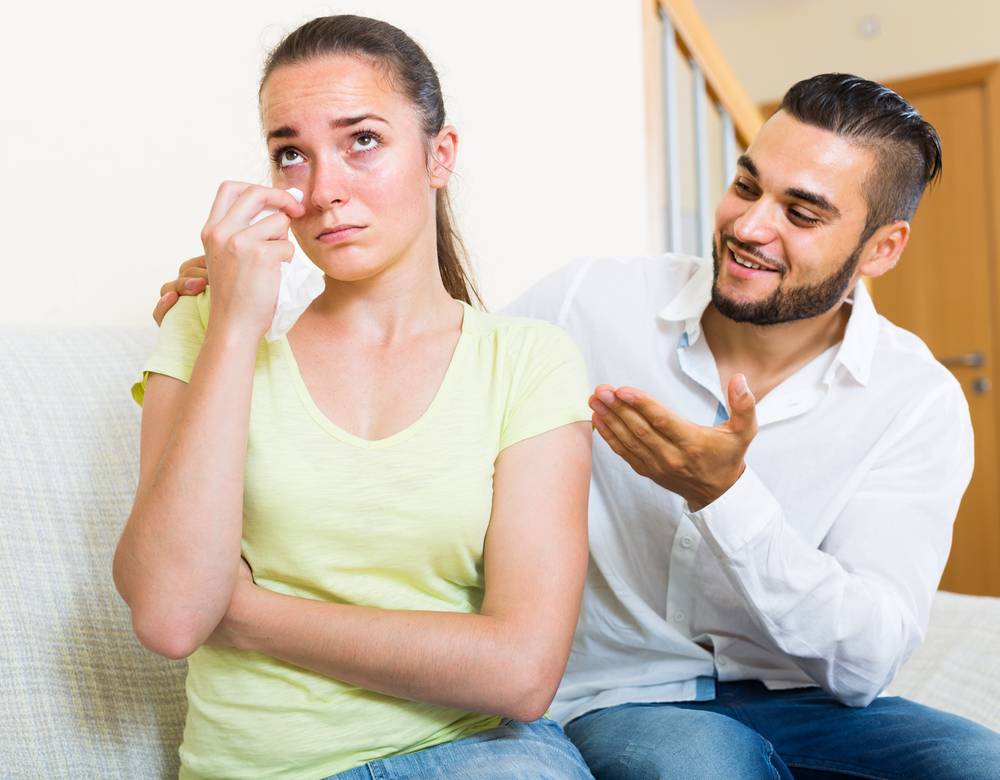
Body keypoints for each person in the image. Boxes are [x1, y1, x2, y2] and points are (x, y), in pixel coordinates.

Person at [153, 72, 1000, 777]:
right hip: (622, 699)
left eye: (802, 213)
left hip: (813, 704)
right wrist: (254, 287)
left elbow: (866, 660)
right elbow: (438, 347)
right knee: (700, 767)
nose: (750, 226)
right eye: (747, 186)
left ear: (881, 249)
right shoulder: (592, 301)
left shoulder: (914, 402)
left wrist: (726, 499)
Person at [114, 15, 595, 780]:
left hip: (474, 757)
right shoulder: (207, 324)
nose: (323, 190)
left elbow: (522, 673)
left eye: (362, 140)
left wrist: (245, 613)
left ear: (440, 155)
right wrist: (234, 325)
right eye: (291, 154)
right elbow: (172, 617)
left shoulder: (528, 362)